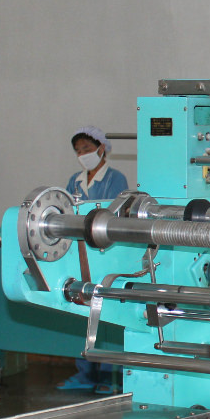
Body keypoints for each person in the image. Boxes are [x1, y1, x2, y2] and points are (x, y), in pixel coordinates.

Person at [60, 126, 128, 393]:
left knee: (108, 313)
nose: (82, 155)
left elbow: (112, 214)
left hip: (106, 252)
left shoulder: (116, 179)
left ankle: (111, 376)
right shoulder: (74, 181)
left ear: (101, 148)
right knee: (83, 312)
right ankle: (85, 374)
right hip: (82, 253)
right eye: (78, 151)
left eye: (87, 149)